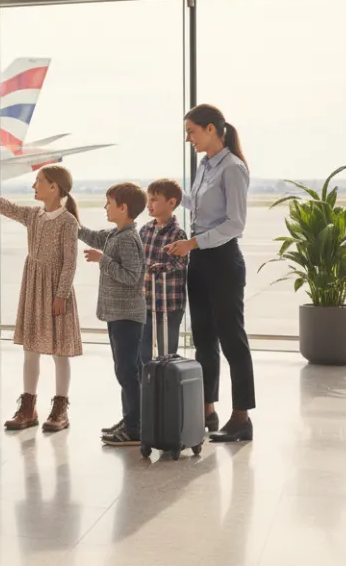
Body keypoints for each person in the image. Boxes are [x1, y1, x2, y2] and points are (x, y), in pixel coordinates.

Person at [0, 165, 82, 432]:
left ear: (54, 187)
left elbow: (70, 263)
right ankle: (28, 408)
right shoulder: (33, 215)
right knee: (31, 351)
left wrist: (61, 294)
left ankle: (60, 409)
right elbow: (7, 207)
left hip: (55, 291)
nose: (33, 186)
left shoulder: (68, 222)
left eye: (38, 181)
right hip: (33, 287)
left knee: (60, 352)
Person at [164, 104, 254, 443]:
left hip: (222, 261)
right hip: (199, 259)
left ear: (212, 130)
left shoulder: (233, 168)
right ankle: (207, 410)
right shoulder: (204, 165)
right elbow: (201, 208)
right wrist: (177, 198)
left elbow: (234, 223)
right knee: (203, 339)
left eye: (192, 131)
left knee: (232, 339)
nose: (189, 138)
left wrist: (194, 243)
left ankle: (241, 417)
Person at [77, 182, 147, 447]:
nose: (105, 207)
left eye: (108, 203)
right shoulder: (116, 234)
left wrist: (101, 260)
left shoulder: (128, 239)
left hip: (127, 316)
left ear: (123, 207)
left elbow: (132, 277)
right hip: (118, 315)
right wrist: (74, 224)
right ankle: (132, 419)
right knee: (128, 370)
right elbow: (94, 237)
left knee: (127, 371)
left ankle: (134, 427)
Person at [139, 179, 188, 365]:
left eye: (154, 200)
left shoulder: (177, 234)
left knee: (166, 354)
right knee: (143, 353)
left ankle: (167, 391)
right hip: (146, 303)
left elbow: (180, 263)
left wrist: (158, 269)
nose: (149, 204)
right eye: (148, 199)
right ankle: (147, 391)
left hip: (169, 305)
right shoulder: (145, 230)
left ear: (171, 203)